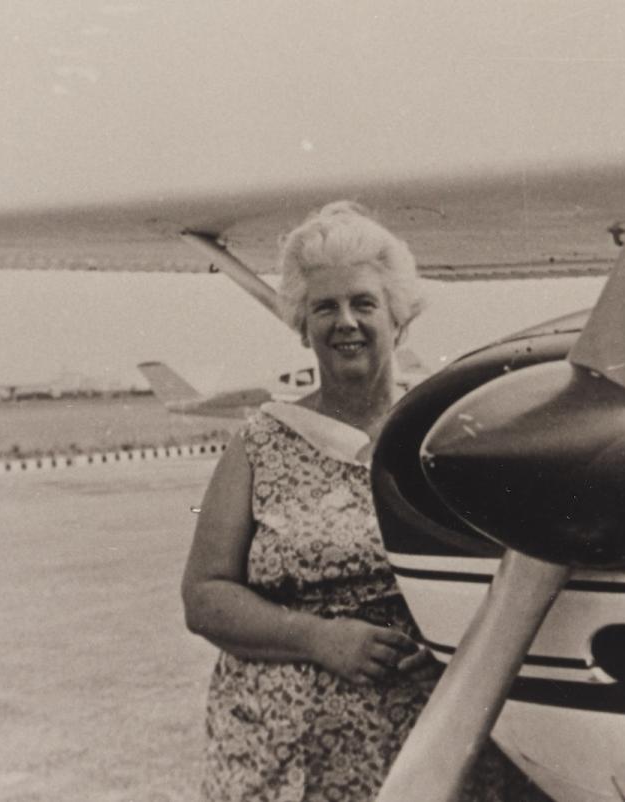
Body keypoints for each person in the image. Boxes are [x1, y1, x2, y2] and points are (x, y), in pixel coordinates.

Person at [182, 201, 527, 801]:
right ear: (303, 325)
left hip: (434, 749)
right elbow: (204, 596)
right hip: (283, 756)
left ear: (399, 315)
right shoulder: (259, 443)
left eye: (364, 302)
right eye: (325, 307)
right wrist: (319, 638)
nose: (346, 321)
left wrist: (448, 634)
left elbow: (516, 572)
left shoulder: (450, 434)